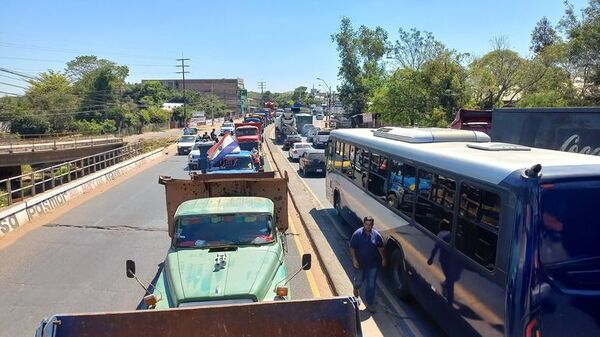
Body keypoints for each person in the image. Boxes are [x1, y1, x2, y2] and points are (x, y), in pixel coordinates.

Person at [350, 216, 386, 313]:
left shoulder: (376, 236)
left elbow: (380, 248)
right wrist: (354, 260)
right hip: (360, 264)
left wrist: (383, 259)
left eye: (369, 225)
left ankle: (369, 304)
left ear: (372, 225)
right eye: (366, 224)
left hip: (372, 265)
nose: (367, 226)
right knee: (358, 283)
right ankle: (356, 298)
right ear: (363, 224)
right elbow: (352, 247)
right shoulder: (357, 234)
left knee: (371, 285)